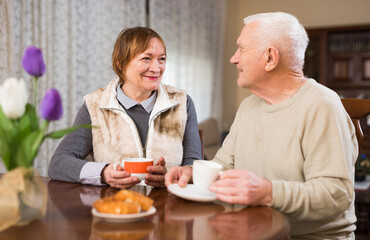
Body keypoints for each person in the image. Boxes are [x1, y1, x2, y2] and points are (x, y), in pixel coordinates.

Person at [165, 12, 358, 238]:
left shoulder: (322, 105)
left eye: (242, 49)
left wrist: (268, 192)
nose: (233, 58)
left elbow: (336, 194)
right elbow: (224, 165)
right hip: (253, 233)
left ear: (270, 58)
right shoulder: (248, 106)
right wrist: (194, 174)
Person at [49, 27, 202, 189]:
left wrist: (171, 175)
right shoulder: (94, 105)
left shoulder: (182, 102)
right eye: (146, 58)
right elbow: (58, 163)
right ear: (120, 63)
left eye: (161, 59)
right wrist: (103, 173)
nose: (157, 68)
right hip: (116, 209)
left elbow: (194, 166)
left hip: (167, 208)